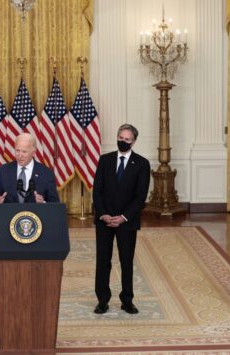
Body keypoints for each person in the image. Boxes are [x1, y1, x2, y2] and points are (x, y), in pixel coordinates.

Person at [93, 124, 150, 315]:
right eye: (120, 138)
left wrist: (123, 217)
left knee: (126, 261)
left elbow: (140, 196)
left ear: (133, 141)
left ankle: (127, 300)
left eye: (127, 139)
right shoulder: (105, 160)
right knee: (103, 261)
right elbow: (97, 191)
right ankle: (102, 300)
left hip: (127, 222)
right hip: (104, 220)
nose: (122, 141)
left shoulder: (142, 163)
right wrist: (103, 214)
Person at [0, 133, 59, 204]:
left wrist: (43, 203)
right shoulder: (3, 171)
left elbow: (55, 204)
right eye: (17, 151)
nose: (20, 155)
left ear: (33, 153)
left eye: (24, 152)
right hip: (10, 214)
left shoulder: (46, 173)